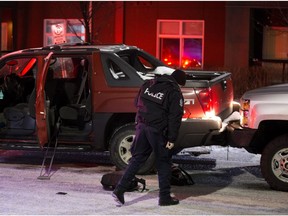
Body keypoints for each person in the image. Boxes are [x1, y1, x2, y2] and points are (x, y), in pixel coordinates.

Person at [112, 69, 186, 206]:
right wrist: (172, 138)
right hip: (157, 131)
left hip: (142, 127)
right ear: (179, 82)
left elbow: (136, 103)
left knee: (137, 159)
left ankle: (119, 189)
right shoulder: (174, 91)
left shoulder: (148, 84)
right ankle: (164, 197)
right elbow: (175, 117)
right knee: (163, 163)